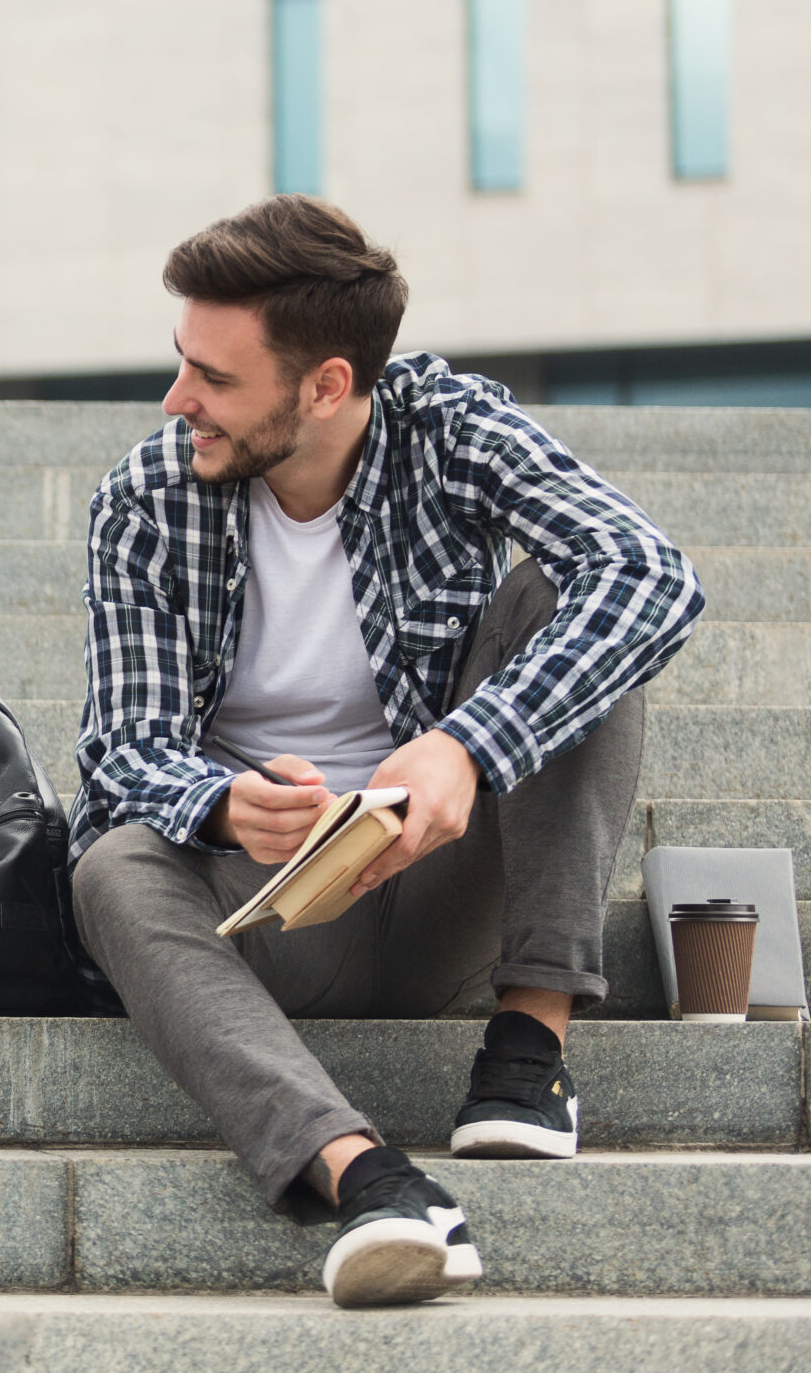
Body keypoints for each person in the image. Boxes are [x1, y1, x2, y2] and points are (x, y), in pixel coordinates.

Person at [68, 195, 704, 1309]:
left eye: (214, 378)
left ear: (327, 385)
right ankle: (367, 1178)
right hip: (263, 915)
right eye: (182, 364)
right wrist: (221, 804)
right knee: (108, 864)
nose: (179, 403)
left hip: (441, 886)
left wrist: (466, 745)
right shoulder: (147, 499)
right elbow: (123, 751)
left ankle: (526, 1051)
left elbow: (648, 576)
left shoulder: (446, 426)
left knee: (571, 600)